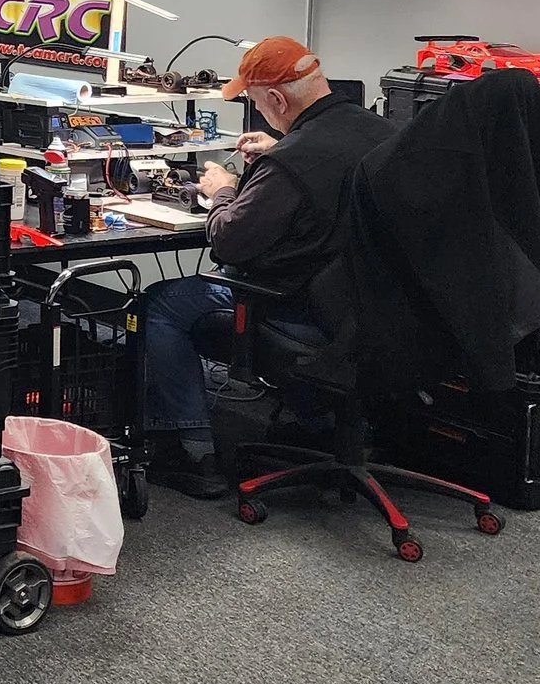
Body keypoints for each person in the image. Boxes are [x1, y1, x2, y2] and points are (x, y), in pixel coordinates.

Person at [140, 36, 395, 499]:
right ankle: (319, 425)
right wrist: (280, 149)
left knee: (161, 304)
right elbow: (329, 171)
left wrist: (222, 189)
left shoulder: (290, 163)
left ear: (275, 99)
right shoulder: (382, 133)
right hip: (377, 313)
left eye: (256, 103)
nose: (259, 113)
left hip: (300, 311)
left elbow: (228, 243)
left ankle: (194, 453)